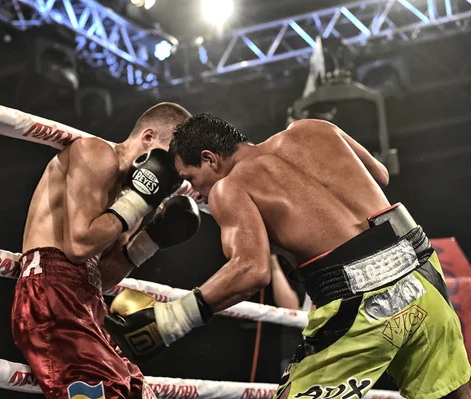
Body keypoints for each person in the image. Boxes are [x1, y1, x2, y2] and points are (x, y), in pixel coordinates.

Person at [105, 115, 471, 399]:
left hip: (360, 302)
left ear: (210, 158)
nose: (196, 193)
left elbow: (251, 270)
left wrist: (170, 319)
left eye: (192, 178)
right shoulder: (313, 128)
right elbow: (379, 174)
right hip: (421, 268)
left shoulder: (229, 187)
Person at [11, 102, 200, 399]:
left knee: (138, 393)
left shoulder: (134, 201)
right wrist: (138, 200)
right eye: (171, 159)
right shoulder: (96, 153)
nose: (172, 174)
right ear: (148, 137)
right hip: (50, 292)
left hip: (88, 301)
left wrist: (150, 240)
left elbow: (101, 276)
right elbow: (78, 246)